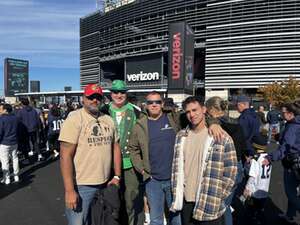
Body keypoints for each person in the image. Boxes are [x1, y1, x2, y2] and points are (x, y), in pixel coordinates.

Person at [128, 92, 223, 225]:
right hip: (152, 180)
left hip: (174, 180)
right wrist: (142, 170)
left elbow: (197, 115)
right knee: (156, 219)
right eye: (150, 102)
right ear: (145, 105)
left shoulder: (174, 118)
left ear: (162, 104)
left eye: (157, 102)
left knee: (176, 218)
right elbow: (133, 149)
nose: (154, 105)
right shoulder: (140, 125)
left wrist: (213, 123)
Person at [59, 84, 122, 225]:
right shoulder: (75, 119)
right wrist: (69, 190)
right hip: (82, 186)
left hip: (105, 183)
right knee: (78, 222)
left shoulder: (108, 119)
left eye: (98, 97)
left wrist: (117, 175)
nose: (94, 100)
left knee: (99, 220)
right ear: (83, 98)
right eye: (91, 97)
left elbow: (116, 147)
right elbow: (65, 155)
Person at [170, 96, 237, 225]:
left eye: (195, 110)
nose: (192, 115)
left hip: (209, 202)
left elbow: (231, 171)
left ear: (204, 109)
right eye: (188, 112)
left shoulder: (220, 136)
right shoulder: (181, 136)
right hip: (186, 201)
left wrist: (218, 196)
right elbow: (176, 168)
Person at [101, 80, 144, 225]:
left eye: (122, 92)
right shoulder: (102, 110)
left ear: (126, 93)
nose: (119, 95)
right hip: (107, 164)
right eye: (115, 92)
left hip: (130, 164)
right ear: (110, 94)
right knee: (110, 200)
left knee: (130, 200)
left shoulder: (136, 111)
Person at [205, 96, 247, 225]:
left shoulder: (215, 127)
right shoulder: (236, 124)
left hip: (223, 168)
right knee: (227, 203)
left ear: (211, 109)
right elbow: (243, 147)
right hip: (238, 166)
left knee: (221, 206)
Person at [263, 102, 300, 224]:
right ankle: (290, 215)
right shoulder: (293, 123)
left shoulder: (293, 126)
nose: (281, 115)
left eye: (283, 112)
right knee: (293, 191)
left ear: (290, 113)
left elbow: (286, 147)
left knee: (290, 192)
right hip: (295, 160)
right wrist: (281, 136)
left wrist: (270, 157)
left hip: (292, 163)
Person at [243, 148, 272, 225]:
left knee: (252, 211)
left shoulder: (256, 159)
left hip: (255, 190)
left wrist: (247, 188)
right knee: (260, 210)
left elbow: (252, 176)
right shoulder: (269, 157)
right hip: (265, 189)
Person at [0, 104, 20, 185]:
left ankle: (7, 178)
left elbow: (0, 132)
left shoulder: (2, 119)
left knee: (5, 161)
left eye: (1, 109)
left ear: (5, 110)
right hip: (14, 141)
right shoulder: (15, 118)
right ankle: (16, 175)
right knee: (15, 158)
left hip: (4, 142)